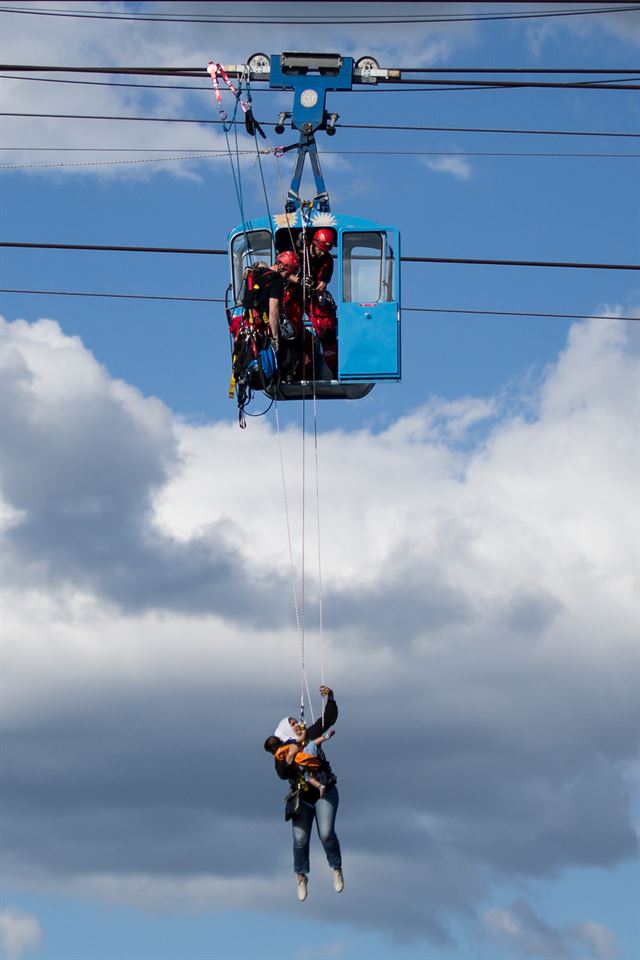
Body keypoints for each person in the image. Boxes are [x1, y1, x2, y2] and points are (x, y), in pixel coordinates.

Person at [264, 685, 343, 902]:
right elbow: (282, 773)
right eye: (291, 724)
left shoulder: (311, 736)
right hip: (302, 797)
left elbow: (330, 718)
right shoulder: (282, 753)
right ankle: (301, 876)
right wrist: (291, 754)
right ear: (285, 731)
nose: (297, 725)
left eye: (295, 722)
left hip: (324, 792)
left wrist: (330, 697)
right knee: (300, 840)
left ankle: (336, 867)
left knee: (326, 834)